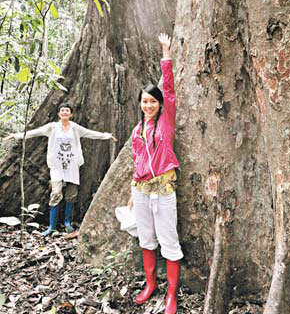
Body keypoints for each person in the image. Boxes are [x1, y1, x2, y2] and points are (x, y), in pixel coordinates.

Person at [129, 33, 183, 314]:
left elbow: (170, 88)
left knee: (169, 241)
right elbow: (136, 162)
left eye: (152, 101)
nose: (148, 105)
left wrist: (165, 51)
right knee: (146, 239)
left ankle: (171, 295)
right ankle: (150, 285)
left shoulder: (166, 122)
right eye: (144, 102)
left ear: (160, 104)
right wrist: (130, 193)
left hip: (163, 190)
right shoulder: (138, 131)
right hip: (141, 192)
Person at [4, 103, 117, 236]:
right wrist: (16, 135)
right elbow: (35, 132)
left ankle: (67, 223)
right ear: (59, 114)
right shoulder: (52, 127)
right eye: (62, 110)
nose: (64, 112)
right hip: (57, 166)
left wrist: (106, 136)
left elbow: (90, 133)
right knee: (56, 193)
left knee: (71, 195)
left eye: (67, 110)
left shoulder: (75, 128)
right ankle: (51, 226)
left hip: (72, 165)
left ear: (71, 114)